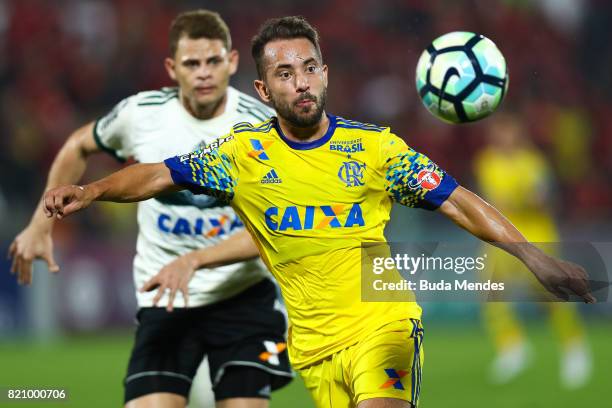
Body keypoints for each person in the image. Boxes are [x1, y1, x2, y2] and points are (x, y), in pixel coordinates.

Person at [40, 16, 594, 408]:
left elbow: (457, 201)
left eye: (309, 68)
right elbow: (159, 173)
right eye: (285, 74)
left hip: (384, 326)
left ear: (325, 73)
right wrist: (91, 192)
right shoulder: (241, 156)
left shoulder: (376, 149)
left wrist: (530, 254)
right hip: (312, 348)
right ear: (263, 86)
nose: (301, 82)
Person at [8, 10, 292, 408]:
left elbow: (275, 229)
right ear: (172, 68)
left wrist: (196, 259)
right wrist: (40, 225)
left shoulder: (265, 129)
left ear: (231, 62)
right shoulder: (141, 114)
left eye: (213, 61)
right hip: (166, 301)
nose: (204, 73)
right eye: (192, 64)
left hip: (243, 298)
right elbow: (78, 145)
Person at [475, 114, 592, 387]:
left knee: (549, 298)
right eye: (499, 132)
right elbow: (489, 199)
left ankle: (574, 349)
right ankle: (512, 348)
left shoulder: (533, 162)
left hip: (536, 236)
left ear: (518, 133)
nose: (503, 137)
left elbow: (540, 199)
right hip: (500, 238)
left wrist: (521, 199)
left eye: (508, 131)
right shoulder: (486, 161)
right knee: (490, 293)